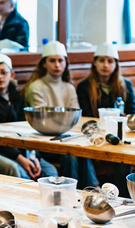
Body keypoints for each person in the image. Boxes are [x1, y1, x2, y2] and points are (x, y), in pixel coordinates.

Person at [25, 41, 98, 188]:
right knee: (70, 155)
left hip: (66, 138)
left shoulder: (69, 88)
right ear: (44, 64)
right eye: (52, 61)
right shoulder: (36, 87)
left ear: (65, 63)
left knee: (82, 150)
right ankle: (71, 192)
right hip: (44, 141)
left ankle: (90, 190)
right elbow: (44, 120)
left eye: (60, 60)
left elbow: (76, 118)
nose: (57, 65)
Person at [0, 53, 58, 180]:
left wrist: (33, 156)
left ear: (12, 75)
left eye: (3, 72)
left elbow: (26, 128)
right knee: (21, 175)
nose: (0, 77)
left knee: (50, 172)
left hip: (23, 151)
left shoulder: (17, 98)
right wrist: (19, 158)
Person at [76, 43, 135, 192]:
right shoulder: (84, 86)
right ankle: (91, 191)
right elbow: (86, 116)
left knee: (123, 155)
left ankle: (126, 195)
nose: (105, 65)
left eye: (110, 61)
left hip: (119, 136)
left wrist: (126, 118)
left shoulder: (125, 85)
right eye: (102, 60)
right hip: (95, 137)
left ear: (116, 64)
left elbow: (133, 113)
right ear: (95, 63)